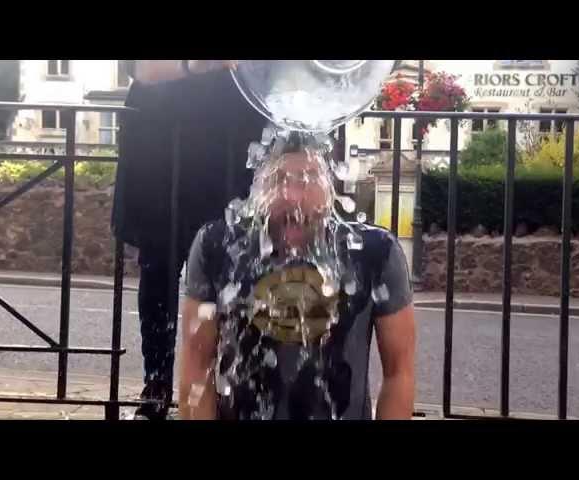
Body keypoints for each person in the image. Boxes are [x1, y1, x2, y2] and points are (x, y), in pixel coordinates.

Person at [178, 137, 416, 420]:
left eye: (308, 178)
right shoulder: (219, 247)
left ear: (331, 186)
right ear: (258, 185)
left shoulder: (373, 252)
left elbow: (399, 373)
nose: (293, 196)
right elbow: (196, 365)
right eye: (278, 179)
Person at [112, 60, 268, 420]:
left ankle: (232, 385)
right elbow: (136, 66)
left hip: (236, 143)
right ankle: (157, 388)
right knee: (159, 267)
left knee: (240, 271)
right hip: (162, 145)